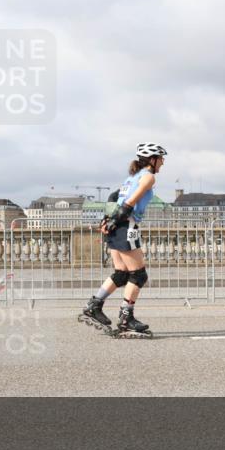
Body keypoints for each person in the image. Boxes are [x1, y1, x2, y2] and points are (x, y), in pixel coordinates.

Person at [79, 142, 167, 337]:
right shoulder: (148, 176)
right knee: (138, 275)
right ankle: (126, 318)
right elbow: (130, 201)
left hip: (116, 224)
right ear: (152, 160)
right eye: (161, 159)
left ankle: (94, 306)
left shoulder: (131, 177)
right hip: (126, 225)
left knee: (121, 274)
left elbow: (113, 197)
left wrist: (107, 220)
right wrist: (116, 219)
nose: (163, 162)